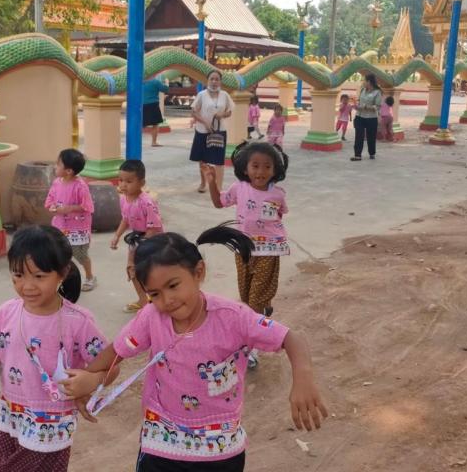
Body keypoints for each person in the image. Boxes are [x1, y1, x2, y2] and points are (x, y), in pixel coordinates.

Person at [63, 226, 327, 472]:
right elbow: (116, 352)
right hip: (161, 441)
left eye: (173, 285)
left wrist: (303, 379)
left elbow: (291, 338)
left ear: (198, 272)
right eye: (154, 294)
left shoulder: (234, 317)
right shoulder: (151, 317)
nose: (167, 300)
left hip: (220, 448)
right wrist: (90, 379)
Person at [0, 226, 112, 471]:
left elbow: (112, 365)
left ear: (63, 273)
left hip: (51, 433)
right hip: (11, 423)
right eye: (18, 275)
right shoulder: (6, 314)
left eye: (39, 276)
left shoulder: (78, 321)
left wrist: (92, 381)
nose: (27, 286)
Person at [204, 141, 289, 369]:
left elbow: (279, 215)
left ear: (275, 169)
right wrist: (212, 182)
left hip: (268, 250)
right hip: (243, 249)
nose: (261, 171)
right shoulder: (239, 188)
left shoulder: (278, 194)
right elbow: (219, 202)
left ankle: (251, 347)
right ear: (245, 168)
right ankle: (262, 311)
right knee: (246, 294)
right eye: (255, 166)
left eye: (267, 166)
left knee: (254, 301)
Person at [110, 160, 163, 313]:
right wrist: (117, 236)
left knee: (152, 273)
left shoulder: (147, 202)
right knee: (132, 270)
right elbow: (126, 219)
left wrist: (139, 247)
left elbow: (153, 228)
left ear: (142, 183)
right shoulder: (123, 199)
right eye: (120, 180)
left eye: (129, 181)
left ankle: (158, 300)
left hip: (153, 242)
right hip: (136, 239)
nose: (123, 185)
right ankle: (143, 300)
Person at [45, 148, 97, 291]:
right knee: (59, 253)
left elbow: (87, 206)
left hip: (77, 229)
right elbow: (50, 199)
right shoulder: (57, 183)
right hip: (60, 225)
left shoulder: (80, 186)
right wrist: (52, 207)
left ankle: (90, 277)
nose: (55, 166)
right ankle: (63, 279)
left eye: (58, 164)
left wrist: (68, 209)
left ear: (68, 171)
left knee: (80, 254)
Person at [190, 70, 233, 193]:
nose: (214, 82)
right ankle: (203, 183)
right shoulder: (202, 95)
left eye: (217, 79)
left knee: (219, 160)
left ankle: (219, 187)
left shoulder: (225, 95)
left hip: (219, 131)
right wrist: (205, 122)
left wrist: (222, 115)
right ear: (207, 81)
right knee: (202, 159)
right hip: (202, 131)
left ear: (220, 81)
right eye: (212, 79)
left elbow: (229, 112)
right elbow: (193, 112)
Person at [351, 73, 383, 161]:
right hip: (359, 116)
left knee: (371, 137)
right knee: (359, 135)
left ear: (369, 82)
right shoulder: (362, 90)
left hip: (371, 118)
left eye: (364, 80)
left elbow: (378, 106)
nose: (363, 82)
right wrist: (356, 105)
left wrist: (366, 107)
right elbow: (359, 101)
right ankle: (357, 155)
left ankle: (372, 153)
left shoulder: (377, 92)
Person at [143, 77, 169, 147]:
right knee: (155, 124)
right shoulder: (155, 82)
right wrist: (167, 83)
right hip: (153, 104)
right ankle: (154, 142)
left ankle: (134, 141)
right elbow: (165, 89)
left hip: (141, 104)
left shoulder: (139, 82)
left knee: (141, 124)